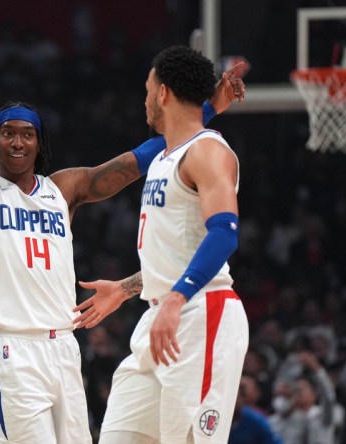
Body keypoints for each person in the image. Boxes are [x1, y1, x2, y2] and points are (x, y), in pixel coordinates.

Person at [0, 1, 245, 442]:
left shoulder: (64, 189)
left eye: (26, 133)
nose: (17, 141)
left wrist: (204, 112)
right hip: (14, 349)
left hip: (66, 349)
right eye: (7, 133)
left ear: (39, 142)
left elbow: (146, 156)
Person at [75, 45, 249, 443]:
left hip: (201, 314)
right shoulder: (164, 157)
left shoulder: (208, 151)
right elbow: (176, 252)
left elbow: (224, 231)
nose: (145, 100)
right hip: (158, 319)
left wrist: (176, 298)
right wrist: (125, 288)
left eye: (148, 89)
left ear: (164, 93)